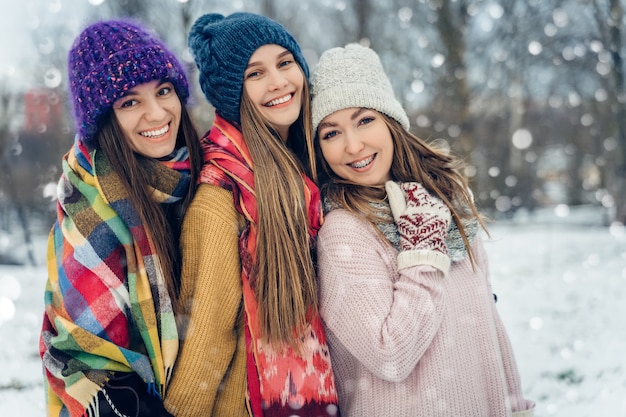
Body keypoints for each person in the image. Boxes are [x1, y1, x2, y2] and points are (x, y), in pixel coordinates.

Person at [310, 43, 536, 417]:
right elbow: (391, 355)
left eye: (365, 120)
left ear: (391, 123)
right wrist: (422, 254)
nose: (353, 145)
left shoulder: (444, 201)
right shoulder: (344, 231)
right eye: (331, 133)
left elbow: (486, 320)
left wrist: (516, 405)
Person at [162, 12, 340, 417]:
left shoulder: (305, 169)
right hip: (249, 404)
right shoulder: (221, 194)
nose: (278, 82)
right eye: (254, 74)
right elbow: (208, 330)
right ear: (231, 95)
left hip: (316, 392)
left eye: (284, 63)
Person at [39, 19, 202, 417]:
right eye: (129, 102)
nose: (156, 112)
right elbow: (84, 357)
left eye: (164, 91)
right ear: (104, 121)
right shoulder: (88, 208)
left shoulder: (203, 179)